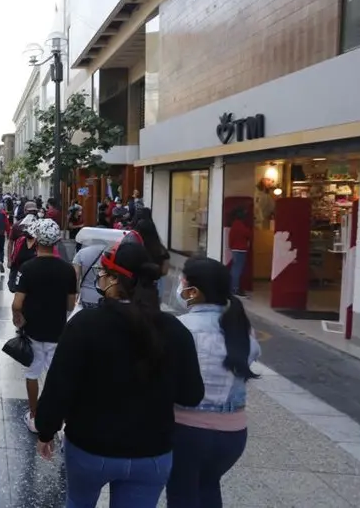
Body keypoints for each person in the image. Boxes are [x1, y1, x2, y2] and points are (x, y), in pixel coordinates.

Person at [34, 238, 204, 508]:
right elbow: (192, 393)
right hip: (152, 452)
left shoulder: (85, 325)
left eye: (102, 273)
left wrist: (46, 430)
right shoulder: (173, 329)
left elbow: (59, 387)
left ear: (114, 280)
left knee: (78, 502)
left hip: (90, 447)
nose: (100, 279)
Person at [166, 256, 261, 508]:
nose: (179, 286)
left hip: (187, 430)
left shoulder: (180, 327)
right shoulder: (242, 329)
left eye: (182, 281)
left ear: (193, 291)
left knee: (181, 493)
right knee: (208, 487)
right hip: (233, 435)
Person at [11, 219, 76, 432]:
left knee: (32, 372)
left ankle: (34, 415)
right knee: (57, 374)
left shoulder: (28, 268)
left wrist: (17, 318)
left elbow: (17, 303)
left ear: (37, 239)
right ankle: (61, 417)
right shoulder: (67, 270)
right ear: (57, 240)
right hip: (57, 329)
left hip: (33, 330)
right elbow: (70, 304)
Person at [72, 227, 108, 310]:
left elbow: (76, 277)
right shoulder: (109, 253)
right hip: (104, 296)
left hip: (86, 296)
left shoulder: (81, 253)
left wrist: (76, 293)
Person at [227, 209, 251, 297]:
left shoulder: (234, 225)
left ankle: (233, 288)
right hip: (241, 249)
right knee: (238, 270)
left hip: (235, 249)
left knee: (234, 269)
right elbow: (248, 234)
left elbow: (231, 239)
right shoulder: (240, 225)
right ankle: (235, 289)